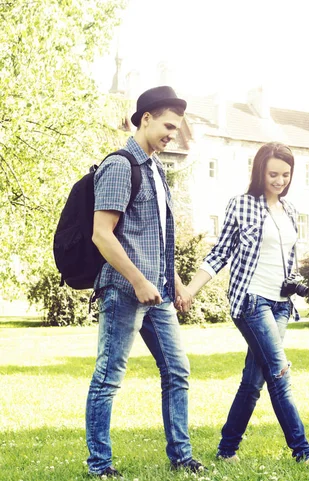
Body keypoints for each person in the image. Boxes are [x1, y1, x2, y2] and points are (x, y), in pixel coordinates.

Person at [85, 86, 203, 478]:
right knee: (109, 376)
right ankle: (100, 465)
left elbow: (158, 238)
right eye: (168, 125)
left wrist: (177, 283)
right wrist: (137, 281)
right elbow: (102, 233)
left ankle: (182, 455)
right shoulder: (121, 165)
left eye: (177, 127)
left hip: (158, 293)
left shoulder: (155, 168)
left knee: (177, 371)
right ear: (146, 118)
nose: (173, 133)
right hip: (125, 290)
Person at [186, 142, 309, 465]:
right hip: (252, 301)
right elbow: (220, 253)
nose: (279, 180)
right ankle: (303, 452)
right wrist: (189, 290)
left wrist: (296, 280)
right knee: (279, 373)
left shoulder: (291, 210)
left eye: (285, 174)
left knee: (253, 380)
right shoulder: (241, 205)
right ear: (260, 172)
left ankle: (227, 449)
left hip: (282, 304)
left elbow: (288, 260)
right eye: (273, 174)